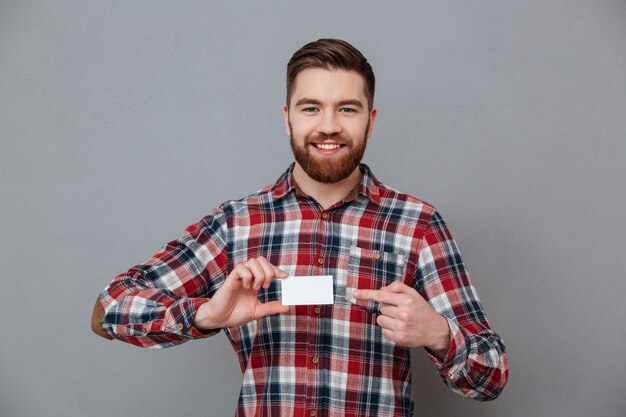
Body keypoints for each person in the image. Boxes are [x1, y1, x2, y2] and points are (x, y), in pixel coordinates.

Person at [92, 38, 508, 417]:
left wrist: (439, 334)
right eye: (311, 108)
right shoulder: (238, 223)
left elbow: (491, 375)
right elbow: (108, 309)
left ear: (371, 119)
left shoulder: (417, 225)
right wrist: (204, 314)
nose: (328, 126)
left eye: (347, 108)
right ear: (287, 118)